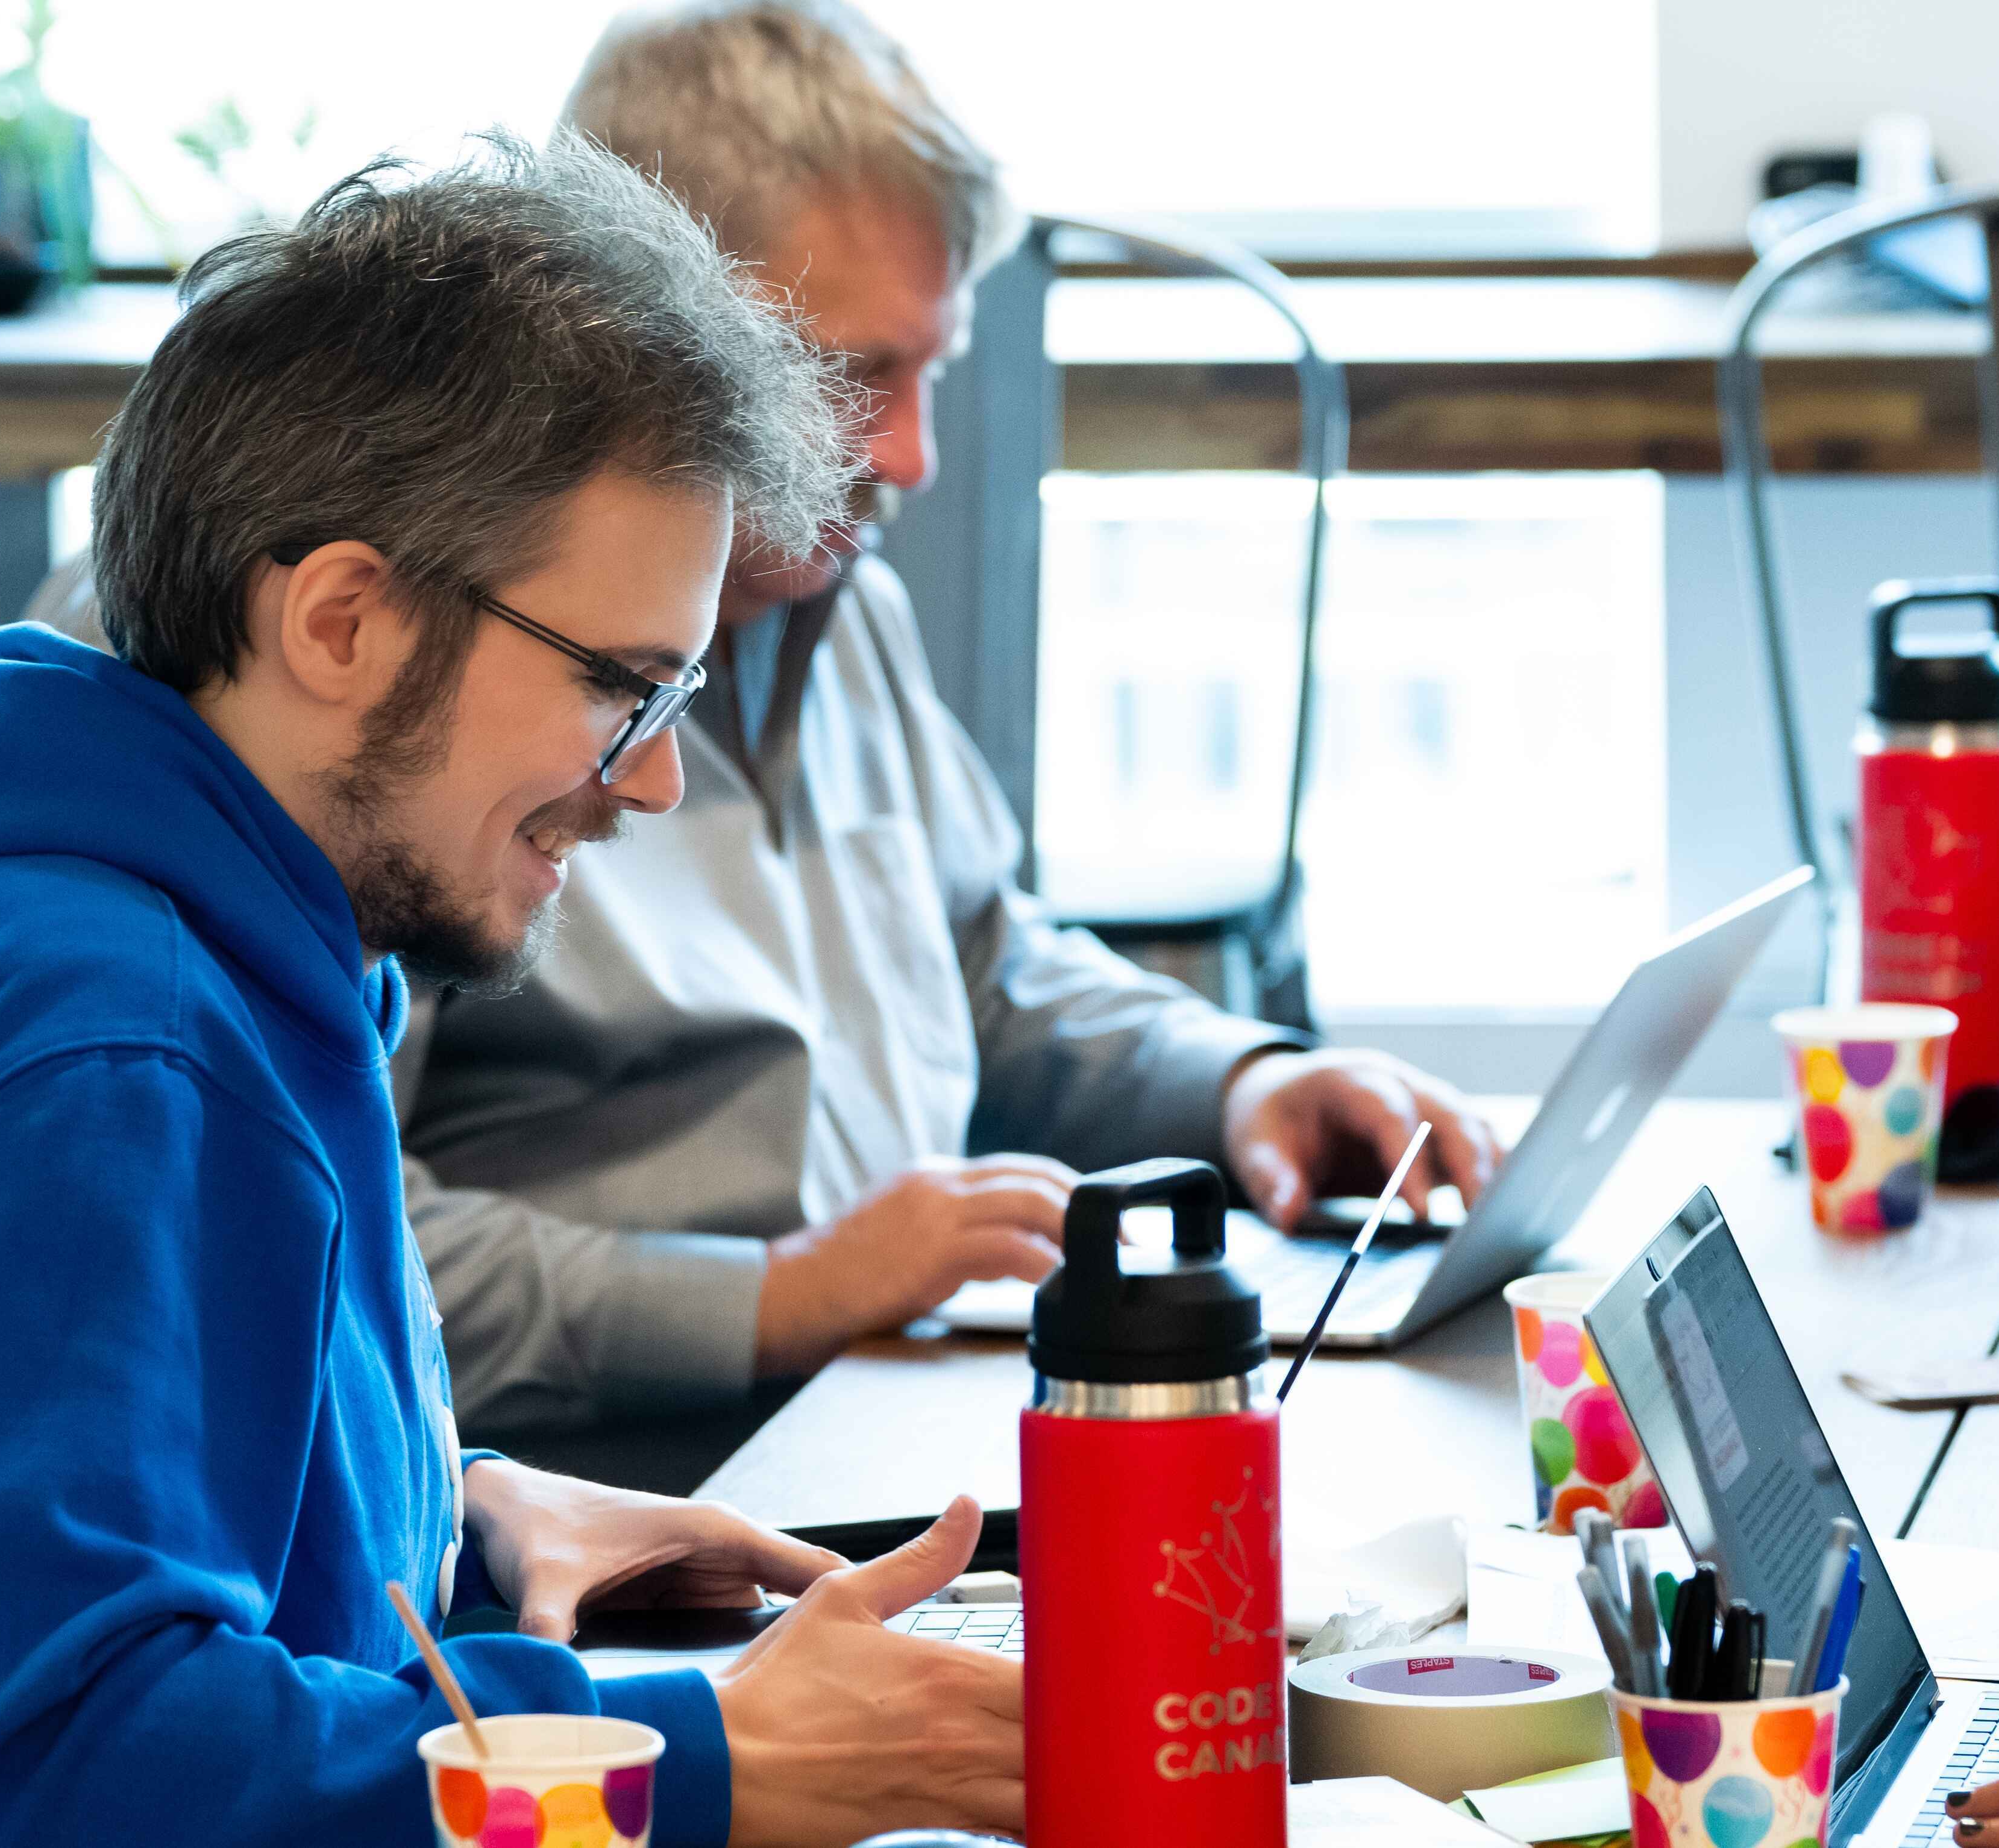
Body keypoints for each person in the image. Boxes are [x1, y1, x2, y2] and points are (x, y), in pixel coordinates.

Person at [0, 135, 1021, 1848]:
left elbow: (38, 1559)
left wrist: (452, 1531)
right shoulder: (113, 1047)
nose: (649, 781)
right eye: (622, 690)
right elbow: (45, 1788)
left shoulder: (125, 915)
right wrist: (699, 1770)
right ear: (343, 621)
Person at [393, 0, 1504, 1455]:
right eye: (853, 380)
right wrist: (768, 1297)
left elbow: (983, 966)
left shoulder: (835, 603)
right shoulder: (422, 681)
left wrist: (1242, 1080)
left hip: (900, 1415)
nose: (913, 456)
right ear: (644, 339)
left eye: (932, 371)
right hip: (626, 1494)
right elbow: (328, 1248)